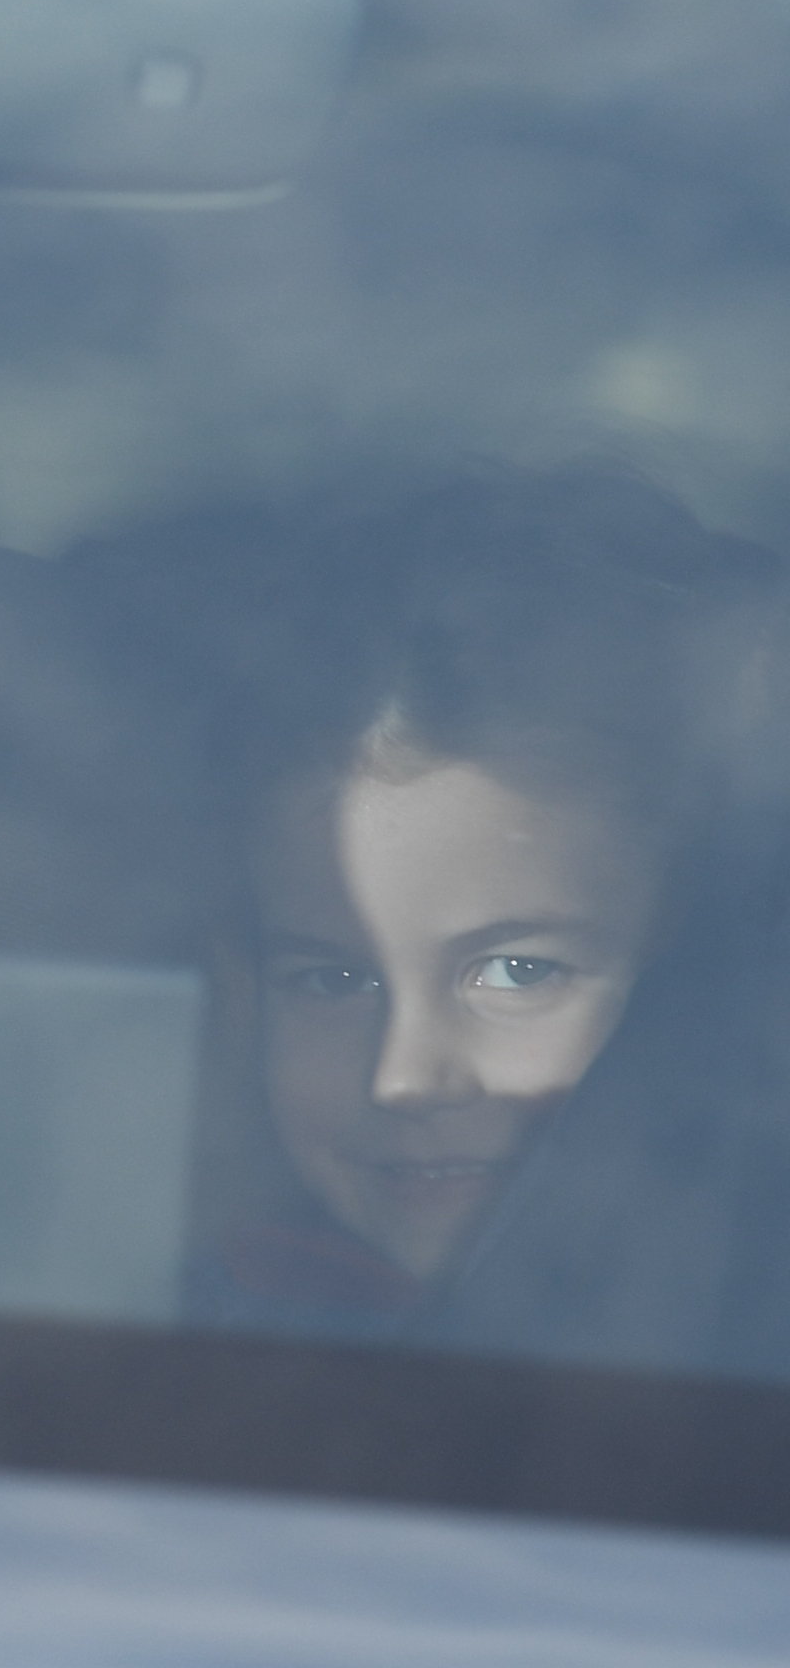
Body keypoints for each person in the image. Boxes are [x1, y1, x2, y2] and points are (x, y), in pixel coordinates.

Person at [168, 471, 785, 1325]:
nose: (404, 1078)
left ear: (693, 971)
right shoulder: (169, 1334)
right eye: (331, 981)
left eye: (520, 970)